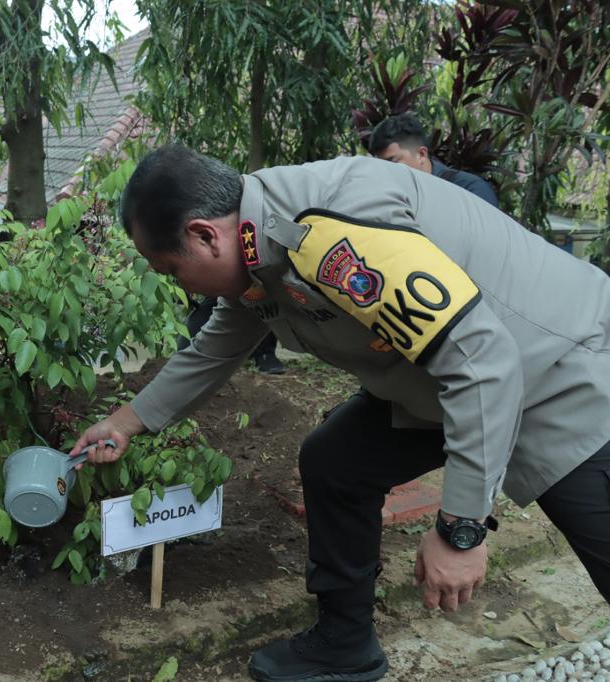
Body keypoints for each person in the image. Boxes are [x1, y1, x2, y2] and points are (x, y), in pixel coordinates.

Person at [70, 145, 610, 682]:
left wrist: (460, 531)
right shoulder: (259, 247)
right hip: (441, 383)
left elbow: (483, 362)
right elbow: (218, 346)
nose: (177, 284)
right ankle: (345, 645)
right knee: (337, 462)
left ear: (204, 235)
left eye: (170, 269)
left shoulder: (327, 236)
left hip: (560, 373)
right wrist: (124, 423)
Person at [368, 113, 499, 208]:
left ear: (421, 154)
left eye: (393, 162)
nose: (387, 172)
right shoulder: (392, 200)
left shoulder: (469, 190)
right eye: (382, 166)